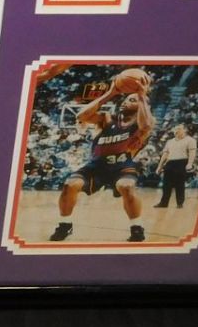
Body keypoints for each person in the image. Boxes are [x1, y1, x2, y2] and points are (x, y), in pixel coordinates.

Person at [49, 69, 154, 243]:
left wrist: (142, 95)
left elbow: (147, 126)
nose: (126, 101)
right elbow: (81, 116)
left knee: (127, 186)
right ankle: (65, 225)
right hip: (96, 166)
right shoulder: (107, 119)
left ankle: (137, 228)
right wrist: (111, 93)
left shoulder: (142, 124)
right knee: (69, 185)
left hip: (122, 166)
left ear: (142, 105)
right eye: (127, 98)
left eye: (132, 100)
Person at [154, 124, 198, 208]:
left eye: (179, 129)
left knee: (180, 184)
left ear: (184, 130)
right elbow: (165, 154)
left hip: (182, 162)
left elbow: (192, 153)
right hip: (170, 163)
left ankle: (179, 203)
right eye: (175, 129)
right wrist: (159, 166)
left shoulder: (190, 140)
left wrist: (189, 163)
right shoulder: (169, 142)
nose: (177, 130)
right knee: (166, 184)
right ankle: (164, 203)